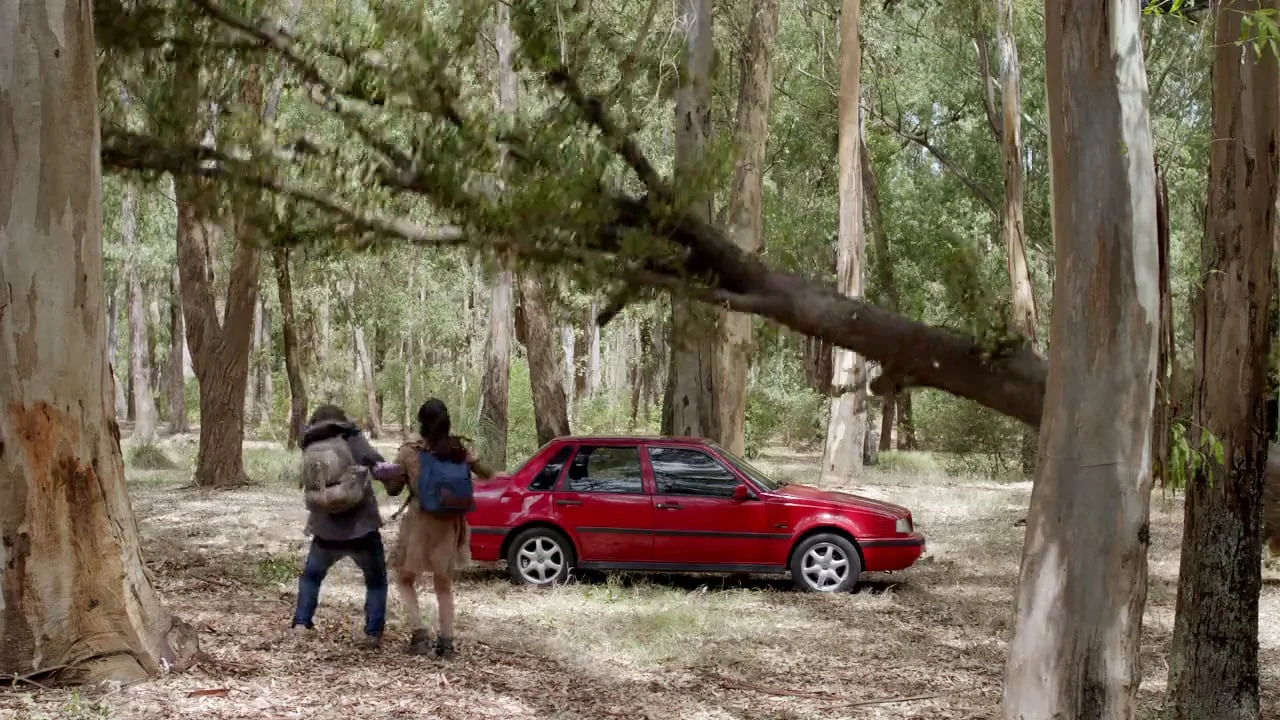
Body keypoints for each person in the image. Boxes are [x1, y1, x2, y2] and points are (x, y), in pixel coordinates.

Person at [387, 398, 494, 659]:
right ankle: (446, 643)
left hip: (420, 523)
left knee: (404, 578)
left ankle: (419, 634)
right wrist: (478, 463)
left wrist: (386, 476)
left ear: (421, 423)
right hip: (449, 525)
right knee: (443, 585)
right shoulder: (460, 449)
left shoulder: (409, 452)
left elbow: (394, 490)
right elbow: (486, 474)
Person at [290, 404, 402, 649]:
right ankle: (373, 633)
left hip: (324, 528)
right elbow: (379, 467)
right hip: (361, 526)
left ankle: (301, 623)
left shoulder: (310, 443)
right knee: (376, 580)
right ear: (342, 420)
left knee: (311, 577)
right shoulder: (352, 439)